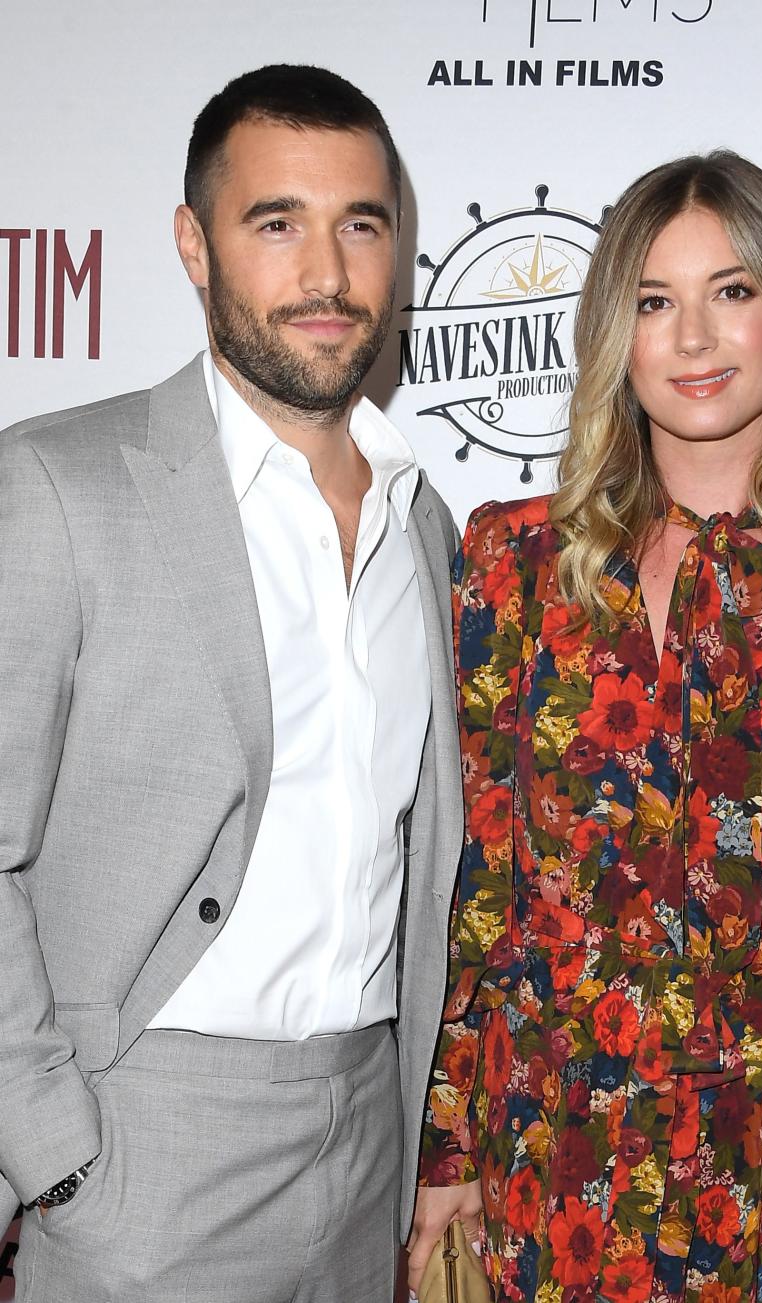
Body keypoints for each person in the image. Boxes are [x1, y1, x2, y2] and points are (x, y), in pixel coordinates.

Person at [409, 151, 762, 1303]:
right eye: (656, 302)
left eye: (734, 291)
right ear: (619, 334)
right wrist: (445, 1147)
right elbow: (475, 892)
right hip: (545, 1164)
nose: (695, 338)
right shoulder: (508, 565)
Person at [0, 63, 462, 1302]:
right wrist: (53, 1153)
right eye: (278, 223)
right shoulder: (57, 487)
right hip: (141, 1147)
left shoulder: (429, 525)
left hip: (368, 1136)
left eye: (361, 224)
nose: (327, 272)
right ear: (193, 248)